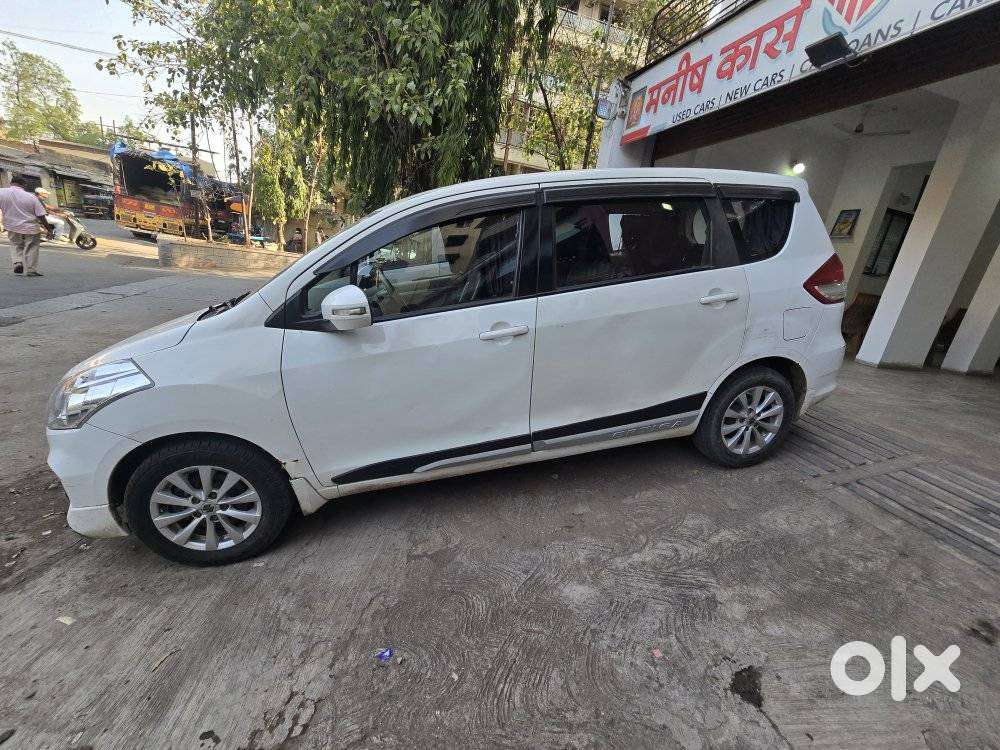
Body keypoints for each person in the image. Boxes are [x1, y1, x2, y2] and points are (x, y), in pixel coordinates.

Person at [0, 176, 53, 276]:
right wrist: (48, 229)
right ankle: (31, 270)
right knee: (32, 247)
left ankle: (17, 262)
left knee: (15, 245)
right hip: (31, 228)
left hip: (12, 226)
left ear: (11, 182)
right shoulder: (31, 197)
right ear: (23, 185)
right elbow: (41, 215)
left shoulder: (1, 192)